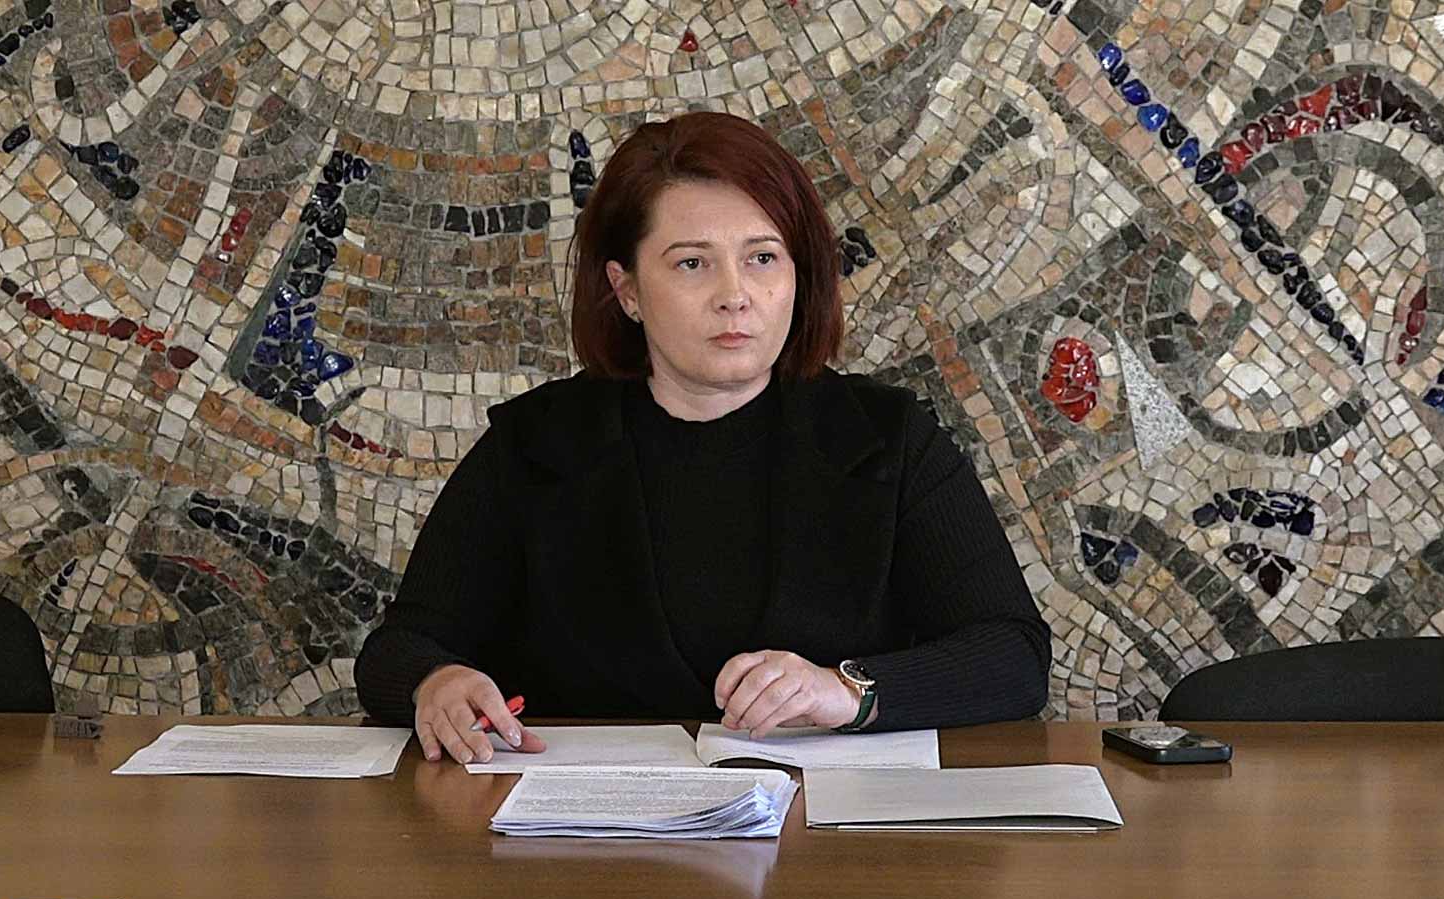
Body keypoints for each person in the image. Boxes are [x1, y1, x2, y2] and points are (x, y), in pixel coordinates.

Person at [355, 111, 1049, 764]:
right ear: (627, 290)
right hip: (587, 830)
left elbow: (1014, 654)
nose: (734, 295)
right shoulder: (534, 444)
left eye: (763, 258)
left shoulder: (889, 438)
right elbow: (400, 648)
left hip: (826, 830)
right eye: (692, 263)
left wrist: (849, 691)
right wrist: (436, 682)